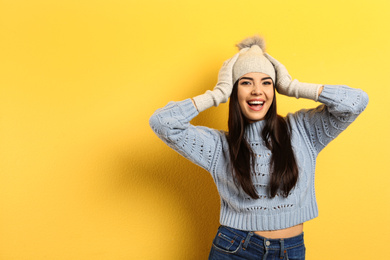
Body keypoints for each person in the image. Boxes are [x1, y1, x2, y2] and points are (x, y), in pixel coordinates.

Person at [149, 35, 368, 260]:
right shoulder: (218, 146)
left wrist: (293, 86)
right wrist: (218, 93)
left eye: (266, 82)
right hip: (235, 249)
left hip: (290, 251)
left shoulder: (303, 130)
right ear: (234, 91)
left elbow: (356, 102)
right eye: (246, 82)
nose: (257, 90)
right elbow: (162, 122)